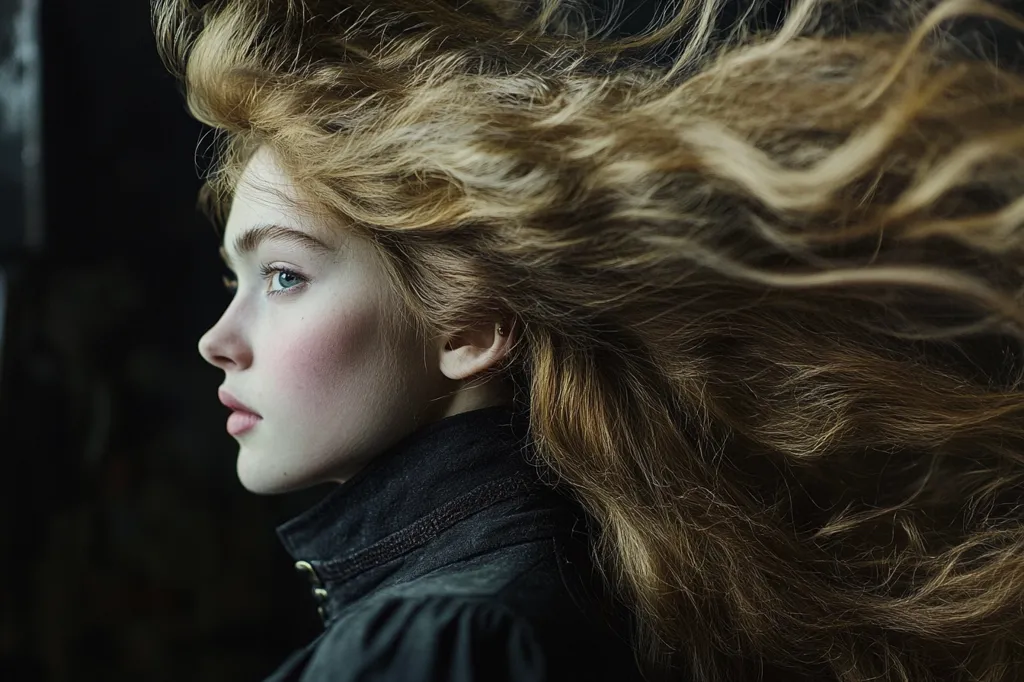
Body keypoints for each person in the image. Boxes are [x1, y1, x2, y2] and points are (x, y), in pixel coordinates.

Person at [155, 0, 1024, 680]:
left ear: (472, 328)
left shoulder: (441, 642)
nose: (217, 340)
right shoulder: (603, 586)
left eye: (284, 277)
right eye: (236, 280)